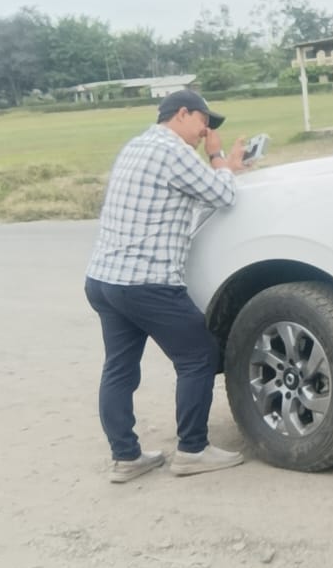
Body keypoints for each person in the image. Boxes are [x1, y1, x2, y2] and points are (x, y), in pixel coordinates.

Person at [85, 89, 249, 482]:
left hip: (104, 279)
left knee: (119, 368)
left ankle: (126, 457)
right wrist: (219, 159)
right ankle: (192, 450)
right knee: (198, 355)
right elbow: (223, 196)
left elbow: (189, 193)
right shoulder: (173, 151)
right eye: (204, 122)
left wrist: (221, 167)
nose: (205, 131)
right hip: (147, 283)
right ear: (181, 114)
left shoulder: (137, 146)